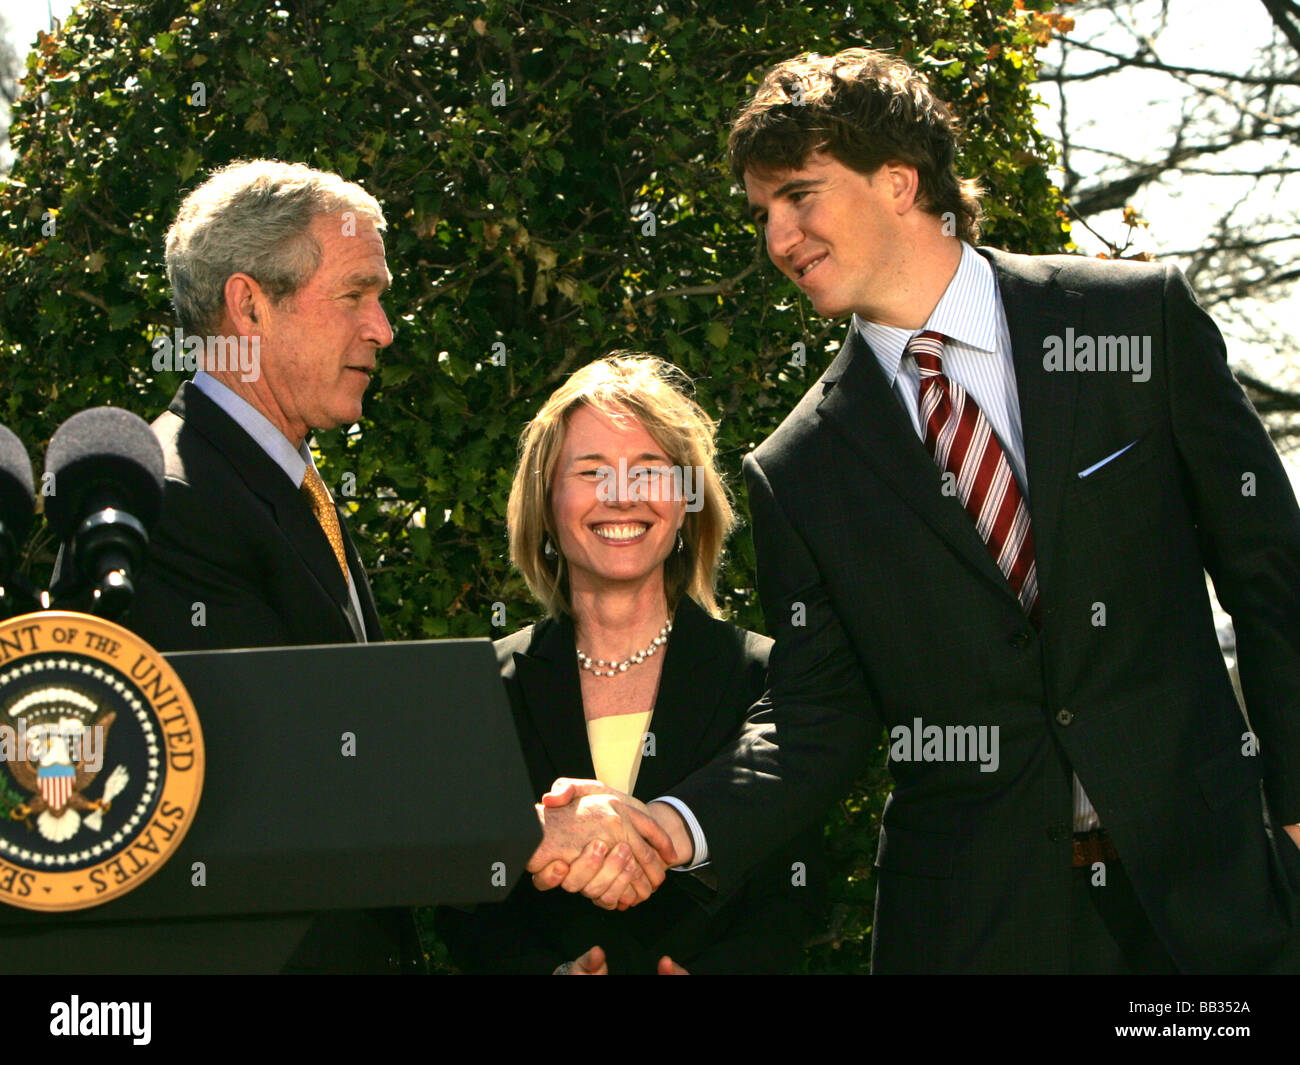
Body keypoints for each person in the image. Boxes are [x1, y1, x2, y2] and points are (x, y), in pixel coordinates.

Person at [533, 49, 1300, 974]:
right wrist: (667, 822)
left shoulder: (1133, 321)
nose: (779, 237)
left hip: (1211, 899)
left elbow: (1273, 574)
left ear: (900, 180)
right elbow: (815, 715)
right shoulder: (799, 466)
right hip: (973, 930)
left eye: (800, 195)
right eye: (763, 213)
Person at [120, 159, 417, 972]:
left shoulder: (281, 480)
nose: (383, 327)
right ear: (249, 304)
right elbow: (279, 774)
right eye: (356, 294)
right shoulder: (174, 499)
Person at [437, 354, 821, 974]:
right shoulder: (483, 687)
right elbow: (466, 908)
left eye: (649, 471)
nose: (621, 496)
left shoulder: (769, 678)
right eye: (590, 471)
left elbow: (794, 891)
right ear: (547, 503)